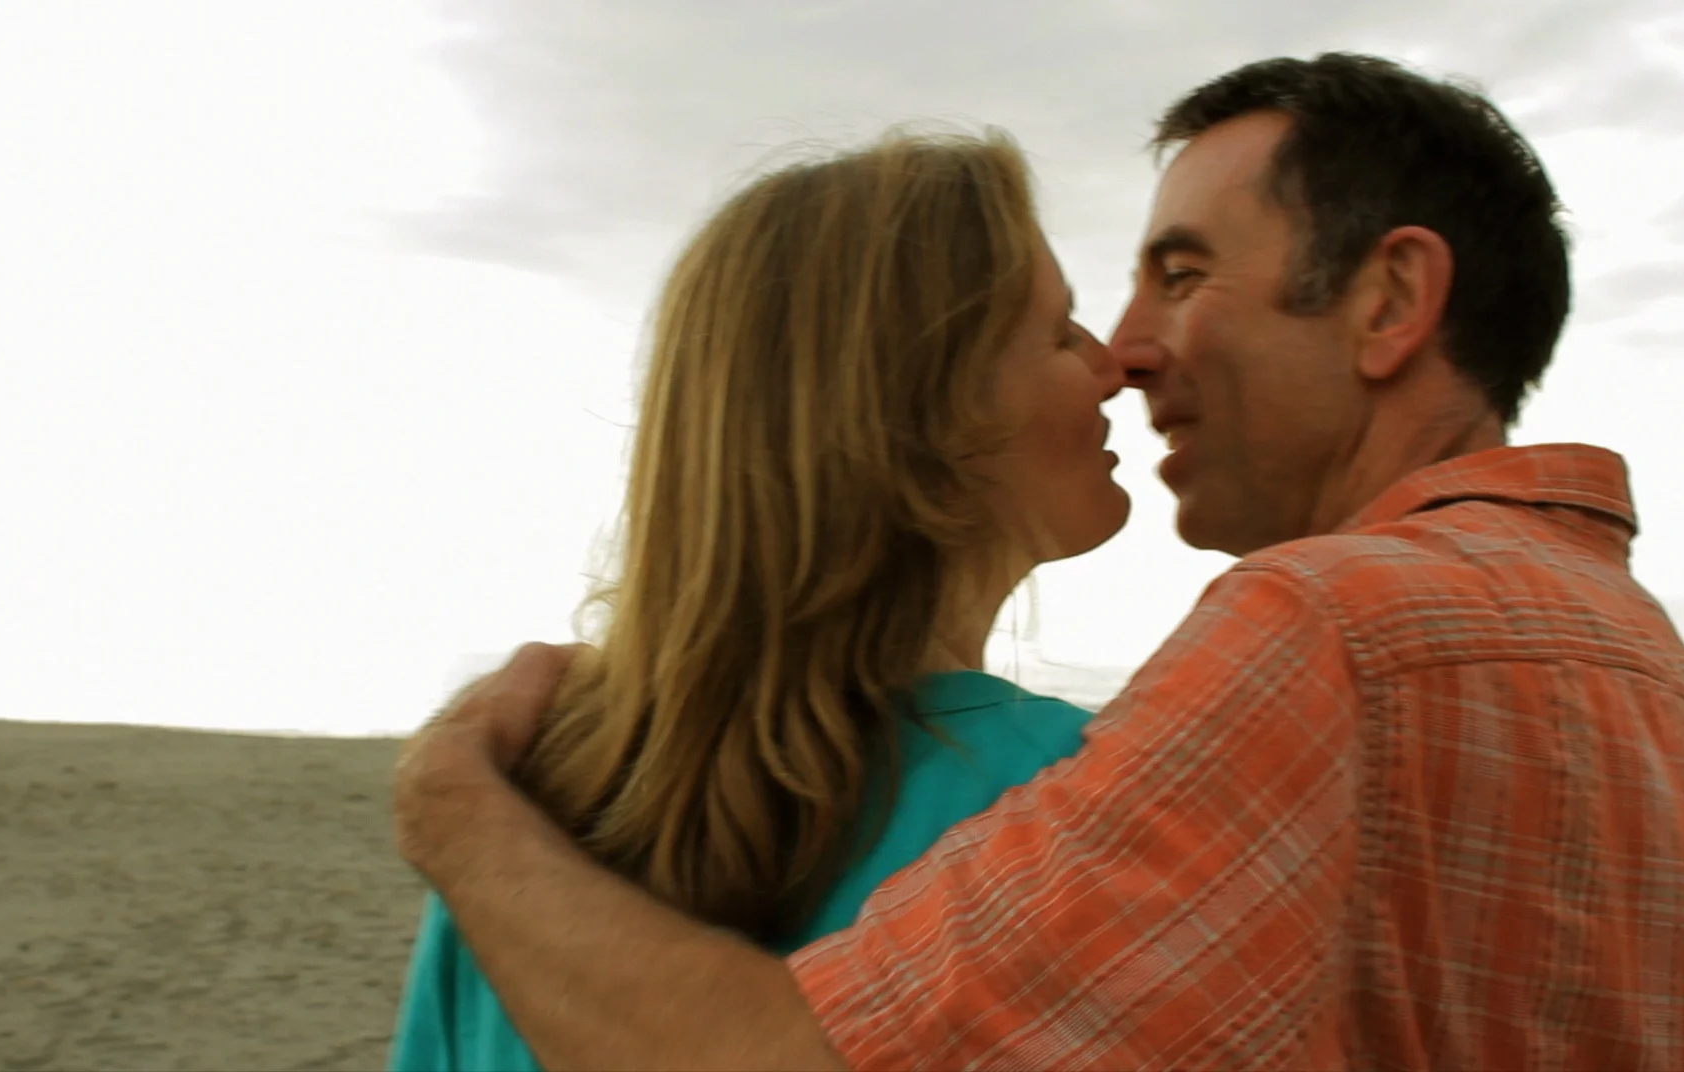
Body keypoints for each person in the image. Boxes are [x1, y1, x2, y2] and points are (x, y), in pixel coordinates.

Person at [394, 53, 1684, 1070]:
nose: (1125, 350)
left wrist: (459, 818)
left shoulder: (1321, 637)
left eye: (1180, 274)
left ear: (1390, 300)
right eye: (1072, 317)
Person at [387, 130, 1136, 1070]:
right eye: (1062, 332)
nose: (1116, 367)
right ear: (930, 415)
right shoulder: (1075, 794)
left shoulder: (518, 813)